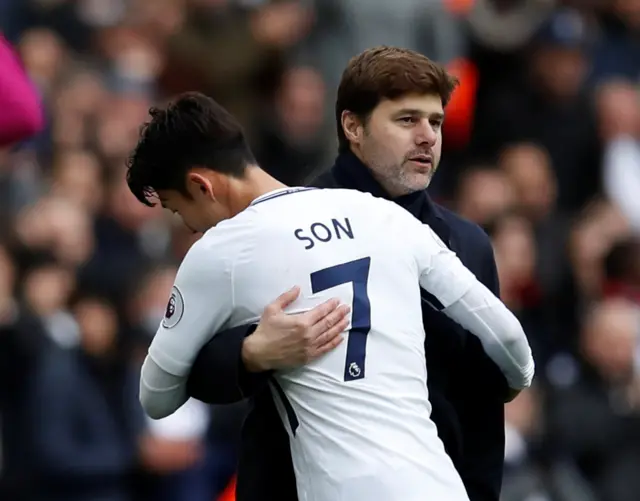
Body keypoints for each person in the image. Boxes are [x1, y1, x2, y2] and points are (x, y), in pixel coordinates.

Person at [128, 91, 534, 501]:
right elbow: (510, 339)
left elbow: (156, 395)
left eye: (178, 210)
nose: (191, 227)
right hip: (436, 484)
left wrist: (252, 353)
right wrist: (516, 381)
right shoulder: (381, 214)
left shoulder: (221, 251)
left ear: (201, 186)